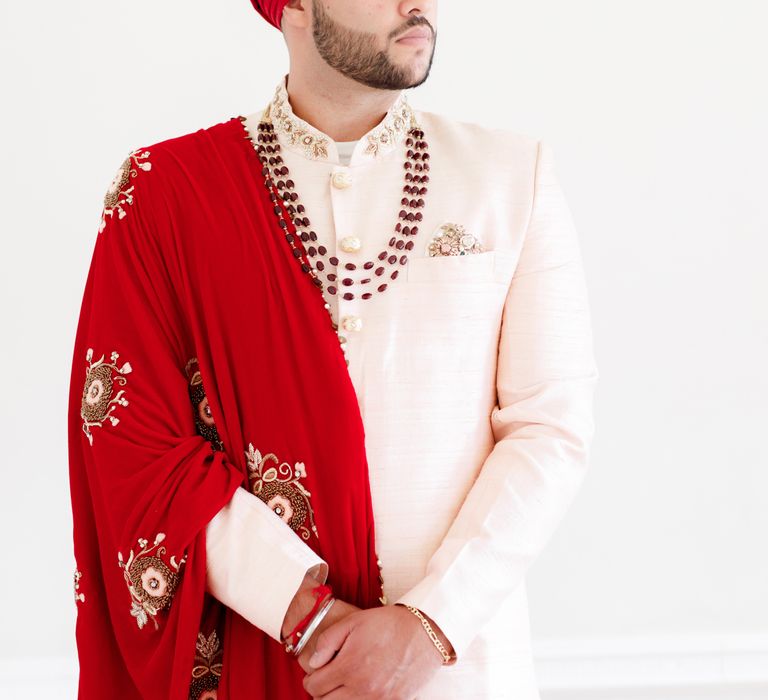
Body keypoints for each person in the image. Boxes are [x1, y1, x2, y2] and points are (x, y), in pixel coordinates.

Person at [68, 1, 599, 698]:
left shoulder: (509, 176)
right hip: (264, 658)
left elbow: (550, 429)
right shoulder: (168, 197)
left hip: (461, 670)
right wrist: (307, 618)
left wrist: (428, 625)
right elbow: (133, 442)